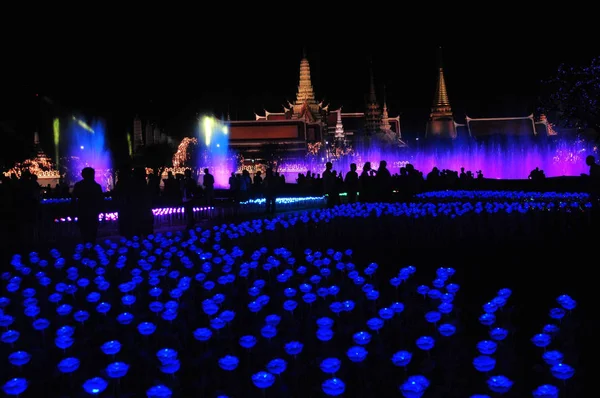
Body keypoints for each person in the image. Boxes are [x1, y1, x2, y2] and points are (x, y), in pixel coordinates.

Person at [71, 167, 104, 244]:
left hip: (82, 210)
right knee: (93, 232)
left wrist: (73, 210)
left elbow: (73, 198)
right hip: (93, 212)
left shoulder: (78, 185)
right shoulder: (97, 186)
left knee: (84, 231)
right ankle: (92, 248)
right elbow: (101, 200)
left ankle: (86, 247)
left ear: (83, 175)